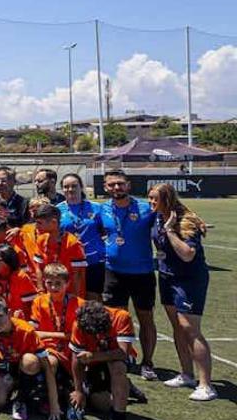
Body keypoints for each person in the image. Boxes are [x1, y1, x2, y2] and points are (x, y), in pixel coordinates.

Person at [149, 182, 216, 401]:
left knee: (190, 328)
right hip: (167, 277)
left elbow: (188, 254)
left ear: (166, 200)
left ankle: (206, 385)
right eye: (149, 198)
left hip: (189, 280)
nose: (151, 202)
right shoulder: (157, 217)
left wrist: (170, 231)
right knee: (177, 326)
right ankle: (186, 374)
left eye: (155, 199)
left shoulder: (185, 222)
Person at [99, 169, 159, 381]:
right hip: (113, 272)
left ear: (128, 185)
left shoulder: (146, 208)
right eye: (112, 184)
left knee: (146, 318)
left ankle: (148, 362)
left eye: (120, 183)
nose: (116, 187)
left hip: (142, 273)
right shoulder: (102, 210)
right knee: (116, 319)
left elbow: (172, 214)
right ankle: (120, 358)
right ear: (106, 187)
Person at [0, 295, 60, 420]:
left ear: (9, 313)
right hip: (8, 367)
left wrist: (54, 404)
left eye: (0, 316)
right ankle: (13, 390)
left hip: (28, 368)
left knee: (30, 361)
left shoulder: (26, 331)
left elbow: (47, 367)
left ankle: (23, 398)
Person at [69, 300, 134, 420]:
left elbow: (123, 353)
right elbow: (76, 359)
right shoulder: (78, 324)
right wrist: (78, 390)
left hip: (115, 359)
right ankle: (123, 388)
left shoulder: (121, 317)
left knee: (117, 367)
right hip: (94, 364)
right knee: (101, 404)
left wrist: (94, 356)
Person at [57, 173, 106, 301]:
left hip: (93, 261)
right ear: (62, 189)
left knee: (94, 298)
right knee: (73, 298)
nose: (70, 189)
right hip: (69, 263)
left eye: (74, 186)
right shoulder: (57, 210)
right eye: (66, 186)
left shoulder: (96, 208)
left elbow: (106, 231)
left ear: (81, 187)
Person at [32, 204, 87, 296]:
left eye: (39, 223)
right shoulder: (41, 240)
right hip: (49, 293)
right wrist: (41, 290)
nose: (36, 226)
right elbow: (38, 268)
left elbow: (78, 274)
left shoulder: (72, 243)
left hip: (69, 294)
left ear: (54, 222)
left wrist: (76, 299)